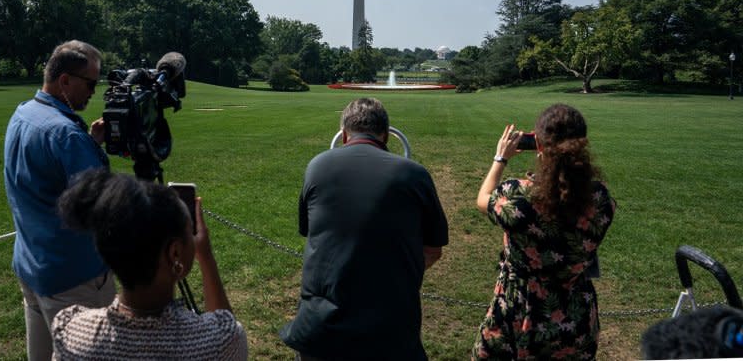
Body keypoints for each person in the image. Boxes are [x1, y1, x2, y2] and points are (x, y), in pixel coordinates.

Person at [280, 97, 449, 360]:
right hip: (391, 328)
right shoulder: (416, 174)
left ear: (344, 135)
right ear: (387, 136)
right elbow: (433, 250)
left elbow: (309, 233)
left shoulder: (317, 166)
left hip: (322, 327)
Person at [51, 170, 247, 360]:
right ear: (175, 253)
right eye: (189, 231)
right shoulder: (218, 341)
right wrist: (205, 256)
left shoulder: (71, 333)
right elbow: (227, 331)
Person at [472, 103, 616, 360]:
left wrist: (500, 158)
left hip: (519, 312)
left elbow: (483, 199)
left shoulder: (518, 196)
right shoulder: (600, 198)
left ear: (537, 143)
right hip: (576, 317)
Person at [3, 40, 114, 361]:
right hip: (74, 278)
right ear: (65, 80)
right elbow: (101, 207)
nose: (94, 92)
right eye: (91, 83)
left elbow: (46, 176)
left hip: (32, 267)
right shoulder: (66, 136)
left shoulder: (24, 113)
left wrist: (89, 144)